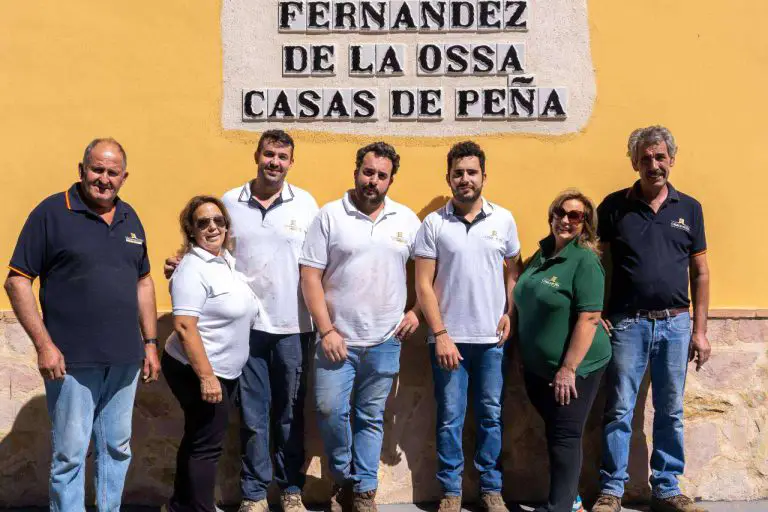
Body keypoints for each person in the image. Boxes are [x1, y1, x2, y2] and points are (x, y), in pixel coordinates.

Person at [165, 130, 318, 512]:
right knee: (253, 417)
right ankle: (253, 494)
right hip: (247, 332)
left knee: (289, 415)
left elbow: (317, 263)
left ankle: (291, 490)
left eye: (282, 156)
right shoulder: (231, 202)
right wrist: (182, 263)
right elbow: (211, 250)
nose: (274, 162)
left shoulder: (306, 205)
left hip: (293, 327)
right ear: (257, 155)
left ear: (291, 162)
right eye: (269, 154)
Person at [4, 138, 160, 511]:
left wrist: (151, 343)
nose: (104, 179)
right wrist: (44, 345)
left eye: (112, 172)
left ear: (124, 177)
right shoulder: (51, 213)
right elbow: (17, 281)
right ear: (82, 169)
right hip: (71, 361)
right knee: (70, 455)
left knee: (117, 449)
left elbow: (144, 282)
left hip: (125, 360)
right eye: (97, 169)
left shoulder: (130, 217)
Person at [591, 126, 711, 512]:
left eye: (660, 157)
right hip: (628, 324)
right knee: (619, 408)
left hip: (676, 325)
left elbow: (700, 273)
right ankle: (612, 490)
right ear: (634, 163)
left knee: (670, 410)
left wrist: (700, 331)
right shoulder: (613, 207)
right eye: (645, 158)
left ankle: (666, 488)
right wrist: (595, 314)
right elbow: (596, 265)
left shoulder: (689, 208)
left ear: (671, 159)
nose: (653, 164)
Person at [299, 142, 421, 512]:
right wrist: (326, 330)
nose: (373, 181)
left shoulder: (406, 220)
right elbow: (309, 275)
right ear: (356, 172)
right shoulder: (329, 216)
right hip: (337, 339)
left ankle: (365, 492)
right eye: (368, 172)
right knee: (329, 410)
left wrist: (417, 311)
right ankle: (343, 479)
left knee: (370, 417)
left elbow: (433, 270)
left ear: (390, 181)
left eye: (382, 175)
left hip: (385, 339)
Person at [414, 140, 523, 512]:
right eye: (458, 173)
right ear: (448, 178)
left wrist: (510, 312)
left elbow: (514, 273)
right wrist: (440, 334)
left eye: (471, 172)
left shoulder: (503, 219)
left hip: (493, 340)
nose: (465, 179)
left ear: (483, 177)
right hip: (449, 341)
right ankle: (451, 491)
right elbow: (423, 284)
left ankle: (491, 488)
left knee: (491, 416)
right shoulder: (433, 223)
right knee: (450, 418)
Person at [513, 189, 611, 512]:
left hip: (575, 368)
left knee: (565, 435)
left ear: (586, 223)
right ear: (551, 216)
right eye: (560, 212)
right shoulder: (542, 254)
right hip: (540, 368)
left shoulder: (585, 260)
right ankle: (572, 500)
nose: (566, 220)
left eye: (575, 216)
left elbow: (590, 317)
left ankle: (560, 507)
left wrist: (568, 369)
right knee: (556, 431)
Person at [163, 195, 260, 512]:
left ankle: (180, 506)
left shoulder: (225, 261)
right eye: (203, 222)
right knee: (207, 446)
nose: (212, 227)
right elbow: (184, 326)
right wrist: (206, 377)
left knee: (198, 436)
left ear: (227, 226)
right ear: (191, 230)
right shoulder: (192, 269)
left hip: (221, 368)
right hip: (198, 369)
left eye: (219, 221)